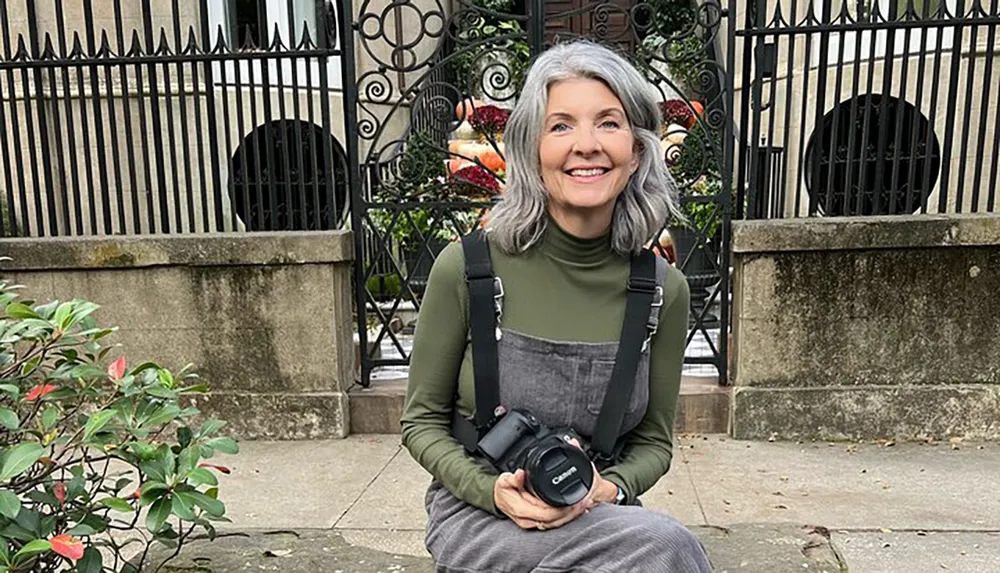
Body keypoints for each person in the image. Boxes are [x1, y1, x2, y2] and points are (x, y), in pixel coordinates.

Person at [400, 40, 712, 572]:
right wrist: (492, 489)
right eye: (561, 125)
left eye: (609, 123)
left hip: (597, 518)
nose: (586, 144)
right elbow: (421, 422)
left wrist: (606, 490)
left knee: (640, 547)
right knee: (665, 548)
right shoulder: (467, 269)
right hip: (479, 515)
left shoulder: (663, 290)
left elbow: (654, 444)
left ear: (637, 150)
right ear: (530, 149)